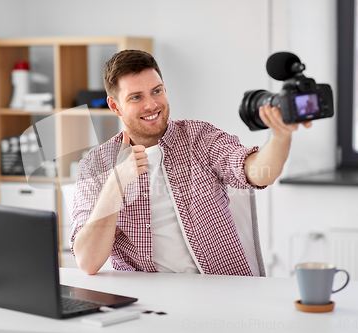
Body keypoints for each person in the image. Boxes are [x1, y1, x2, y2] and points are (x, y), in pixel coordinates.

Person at [70, 50, 311, 276]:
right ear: (115, 106)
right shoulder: (95, 165)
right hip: (147, 301)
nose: (151, 105)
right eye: (136, 97)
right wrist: (115, 185)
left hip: (220, 291)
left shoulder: (199, 137)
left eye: (157, 91)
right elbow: (87, 262)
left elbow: (258, 172)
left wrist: (281, 136)